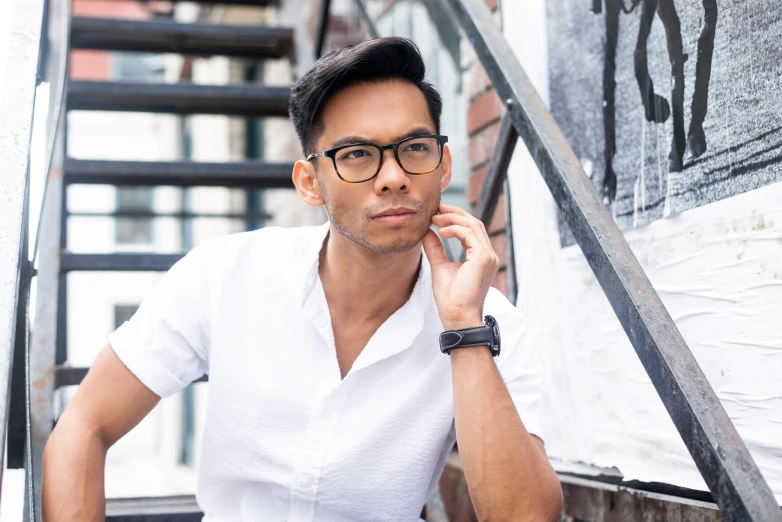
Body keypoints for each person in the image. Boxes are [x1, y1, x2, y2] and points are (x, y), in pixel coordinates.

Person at [42, 37, 563, 521]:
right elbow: (84, 426)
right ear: (310, 183)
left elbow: (525, 515)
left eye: (415, 148)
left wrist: (462, 327)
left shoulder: (488, 323)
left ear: (443, 166)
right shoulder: (227, 274)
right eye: (357, 154)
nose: (393, 176)